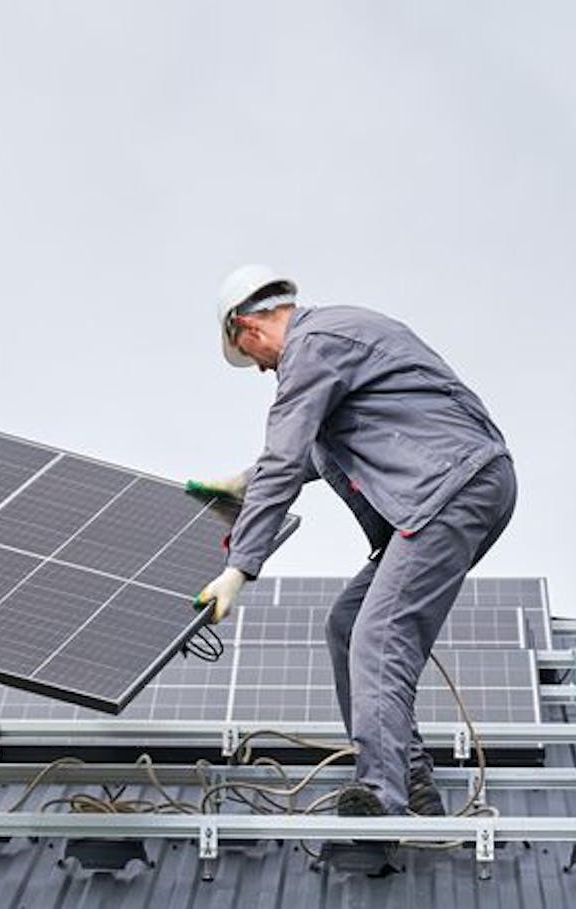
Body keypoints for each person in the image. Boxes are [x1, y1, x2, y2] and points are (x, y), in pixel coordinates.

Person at [189, 264, 517, 821]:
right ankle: (411, 784)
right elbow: (322, 449)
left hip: (446, 487)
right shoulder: (341, 334)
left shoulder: (310, 347)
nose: (260, 369)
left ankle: (381, 799)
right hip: (464, 484)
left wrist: (238, 569)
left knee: (379, 634)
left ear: (246, 327)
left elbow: (286, 457)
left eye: (253, 359)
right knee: (348, 624)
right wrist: (246, 480)